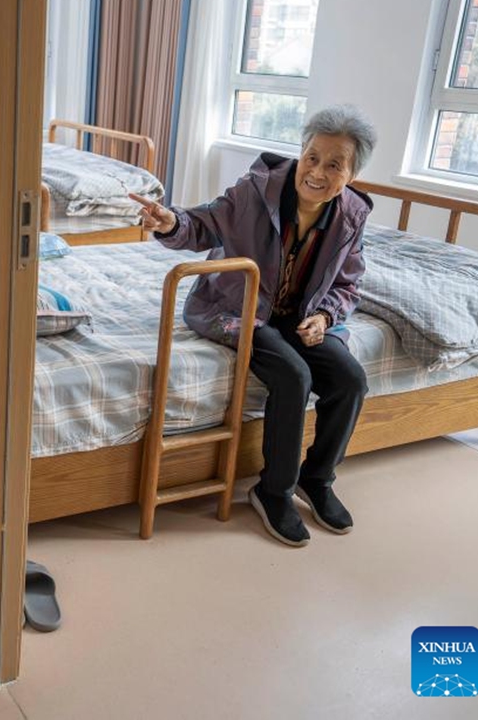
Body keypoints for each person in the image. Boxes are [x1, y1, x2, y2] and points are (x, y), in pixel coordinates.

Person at [130, 105, 378, 547]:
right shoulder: (255, 191)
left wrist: (324, 317)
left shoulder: (351, 215)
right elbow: (204, 223)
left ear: (352, 174)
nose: (318, 172)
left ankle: (317, 480)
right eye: (312, 157)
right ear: (300, 154)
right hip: (237, 307)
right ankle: (274, 490)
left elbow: (347, 283)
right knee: (293, 375)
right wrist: (170, 221)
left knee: (351, 380)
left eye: (335, 164)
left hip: (300, 319)